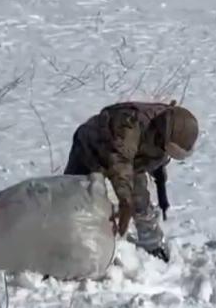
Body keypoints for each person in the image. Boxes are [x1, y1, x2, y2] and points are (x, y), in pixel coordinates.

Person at [64, 101, 199, 262]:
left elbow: (156, 155)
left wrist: (160, 183)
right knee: (73, 196)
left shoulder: (167, 126)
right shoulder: (129, 126)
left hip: (130, 156)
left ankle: (152, 244)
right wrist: (125, 202)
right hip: (91, 147)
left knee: (140, 200)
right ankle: (66, 240)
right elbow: (120, 165)